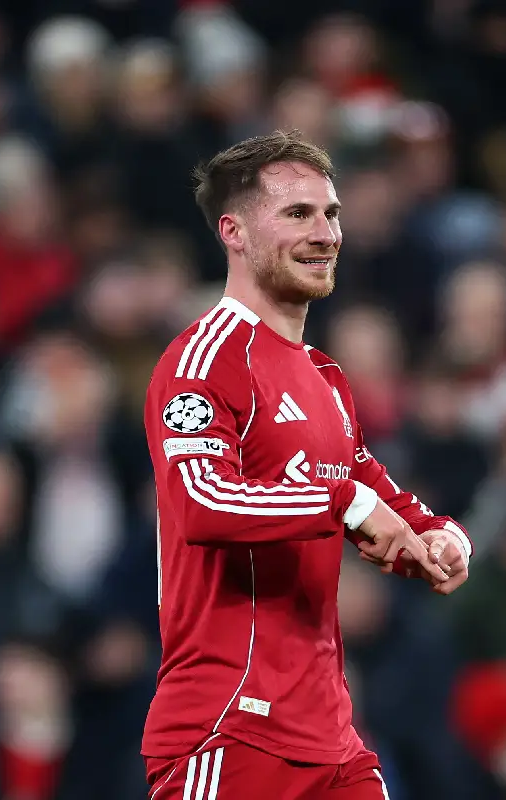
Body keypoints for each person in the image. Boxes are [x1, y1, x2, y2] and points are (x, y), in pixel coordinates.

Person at [141, 130, 473, 799]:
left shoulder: (323, 377)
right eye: (298, 214)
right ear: (233, 232)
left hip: (331, 740)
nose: (325, 232)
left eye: (332, 214)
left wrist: (444, 539)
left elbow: (388, 497)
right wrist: (347, 506)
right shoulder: (203, 362)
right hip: (230, 727)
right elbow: (205, 502)